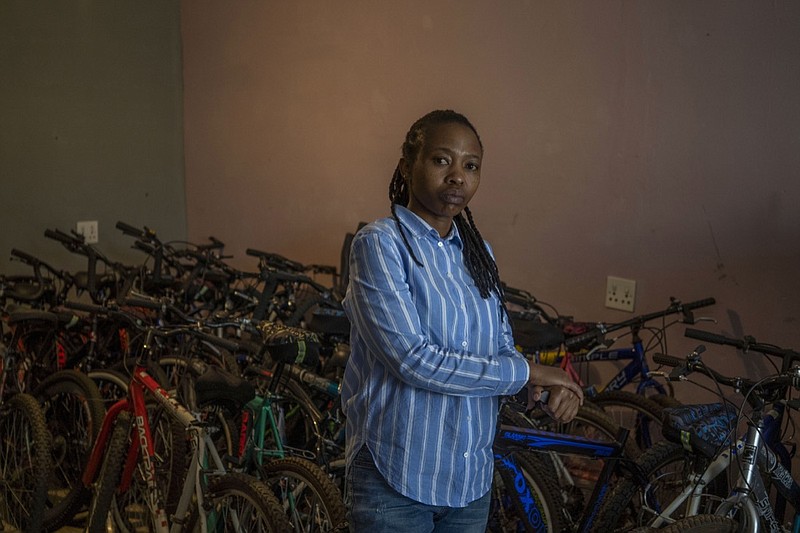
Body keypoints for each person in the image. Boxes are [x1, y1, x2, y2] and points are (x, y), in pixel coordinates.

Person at [340, 109, 584, 532]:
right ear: (407, 166)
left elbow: (498, 348)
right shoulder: (380, 245)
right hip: (395, 476)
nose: (458, 177)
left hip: (469, 479)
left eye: (471, 166)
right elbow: (412, 360)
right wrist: (527, 372)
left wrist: (542, 390)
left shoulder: (477, 252)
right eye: (441, 160)